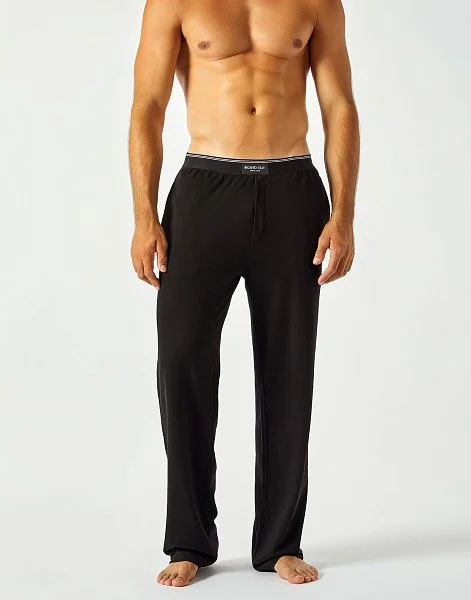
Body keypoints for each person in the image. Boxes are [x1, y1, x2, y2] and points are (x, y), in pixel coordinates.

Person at [128, 0, 359, 587]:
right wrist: (144, 217)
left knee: (288, 366)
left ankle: (280, 542)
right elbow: (148, 106)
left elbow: (338, 103)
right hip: (205, 187)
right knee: (181, 361)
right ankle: (189, 541)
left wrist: (344, 214)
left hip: (292, 189)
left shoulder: (317, 2)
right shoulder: (173, 3)